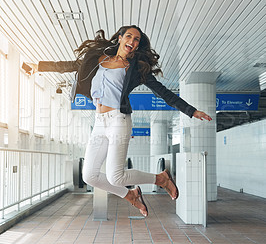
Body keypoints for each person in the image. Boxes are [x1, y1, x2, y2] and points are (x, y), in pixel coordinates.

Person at [25, 25, 212, 217]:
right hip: (100, 122)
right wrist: (39, 67)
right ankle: (130, 195)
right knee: (89, 175)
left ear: (138, 45)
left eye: (137, 39)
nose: (132, 41)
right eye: (129, 36)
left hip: (119, 120)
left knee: (116, 176)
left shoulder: (136, 68)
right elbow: (71, 65)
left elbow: (163, 92)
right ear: (120, 38)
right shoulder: (99, 58)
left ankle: (161, 179)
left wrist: (192, 111)